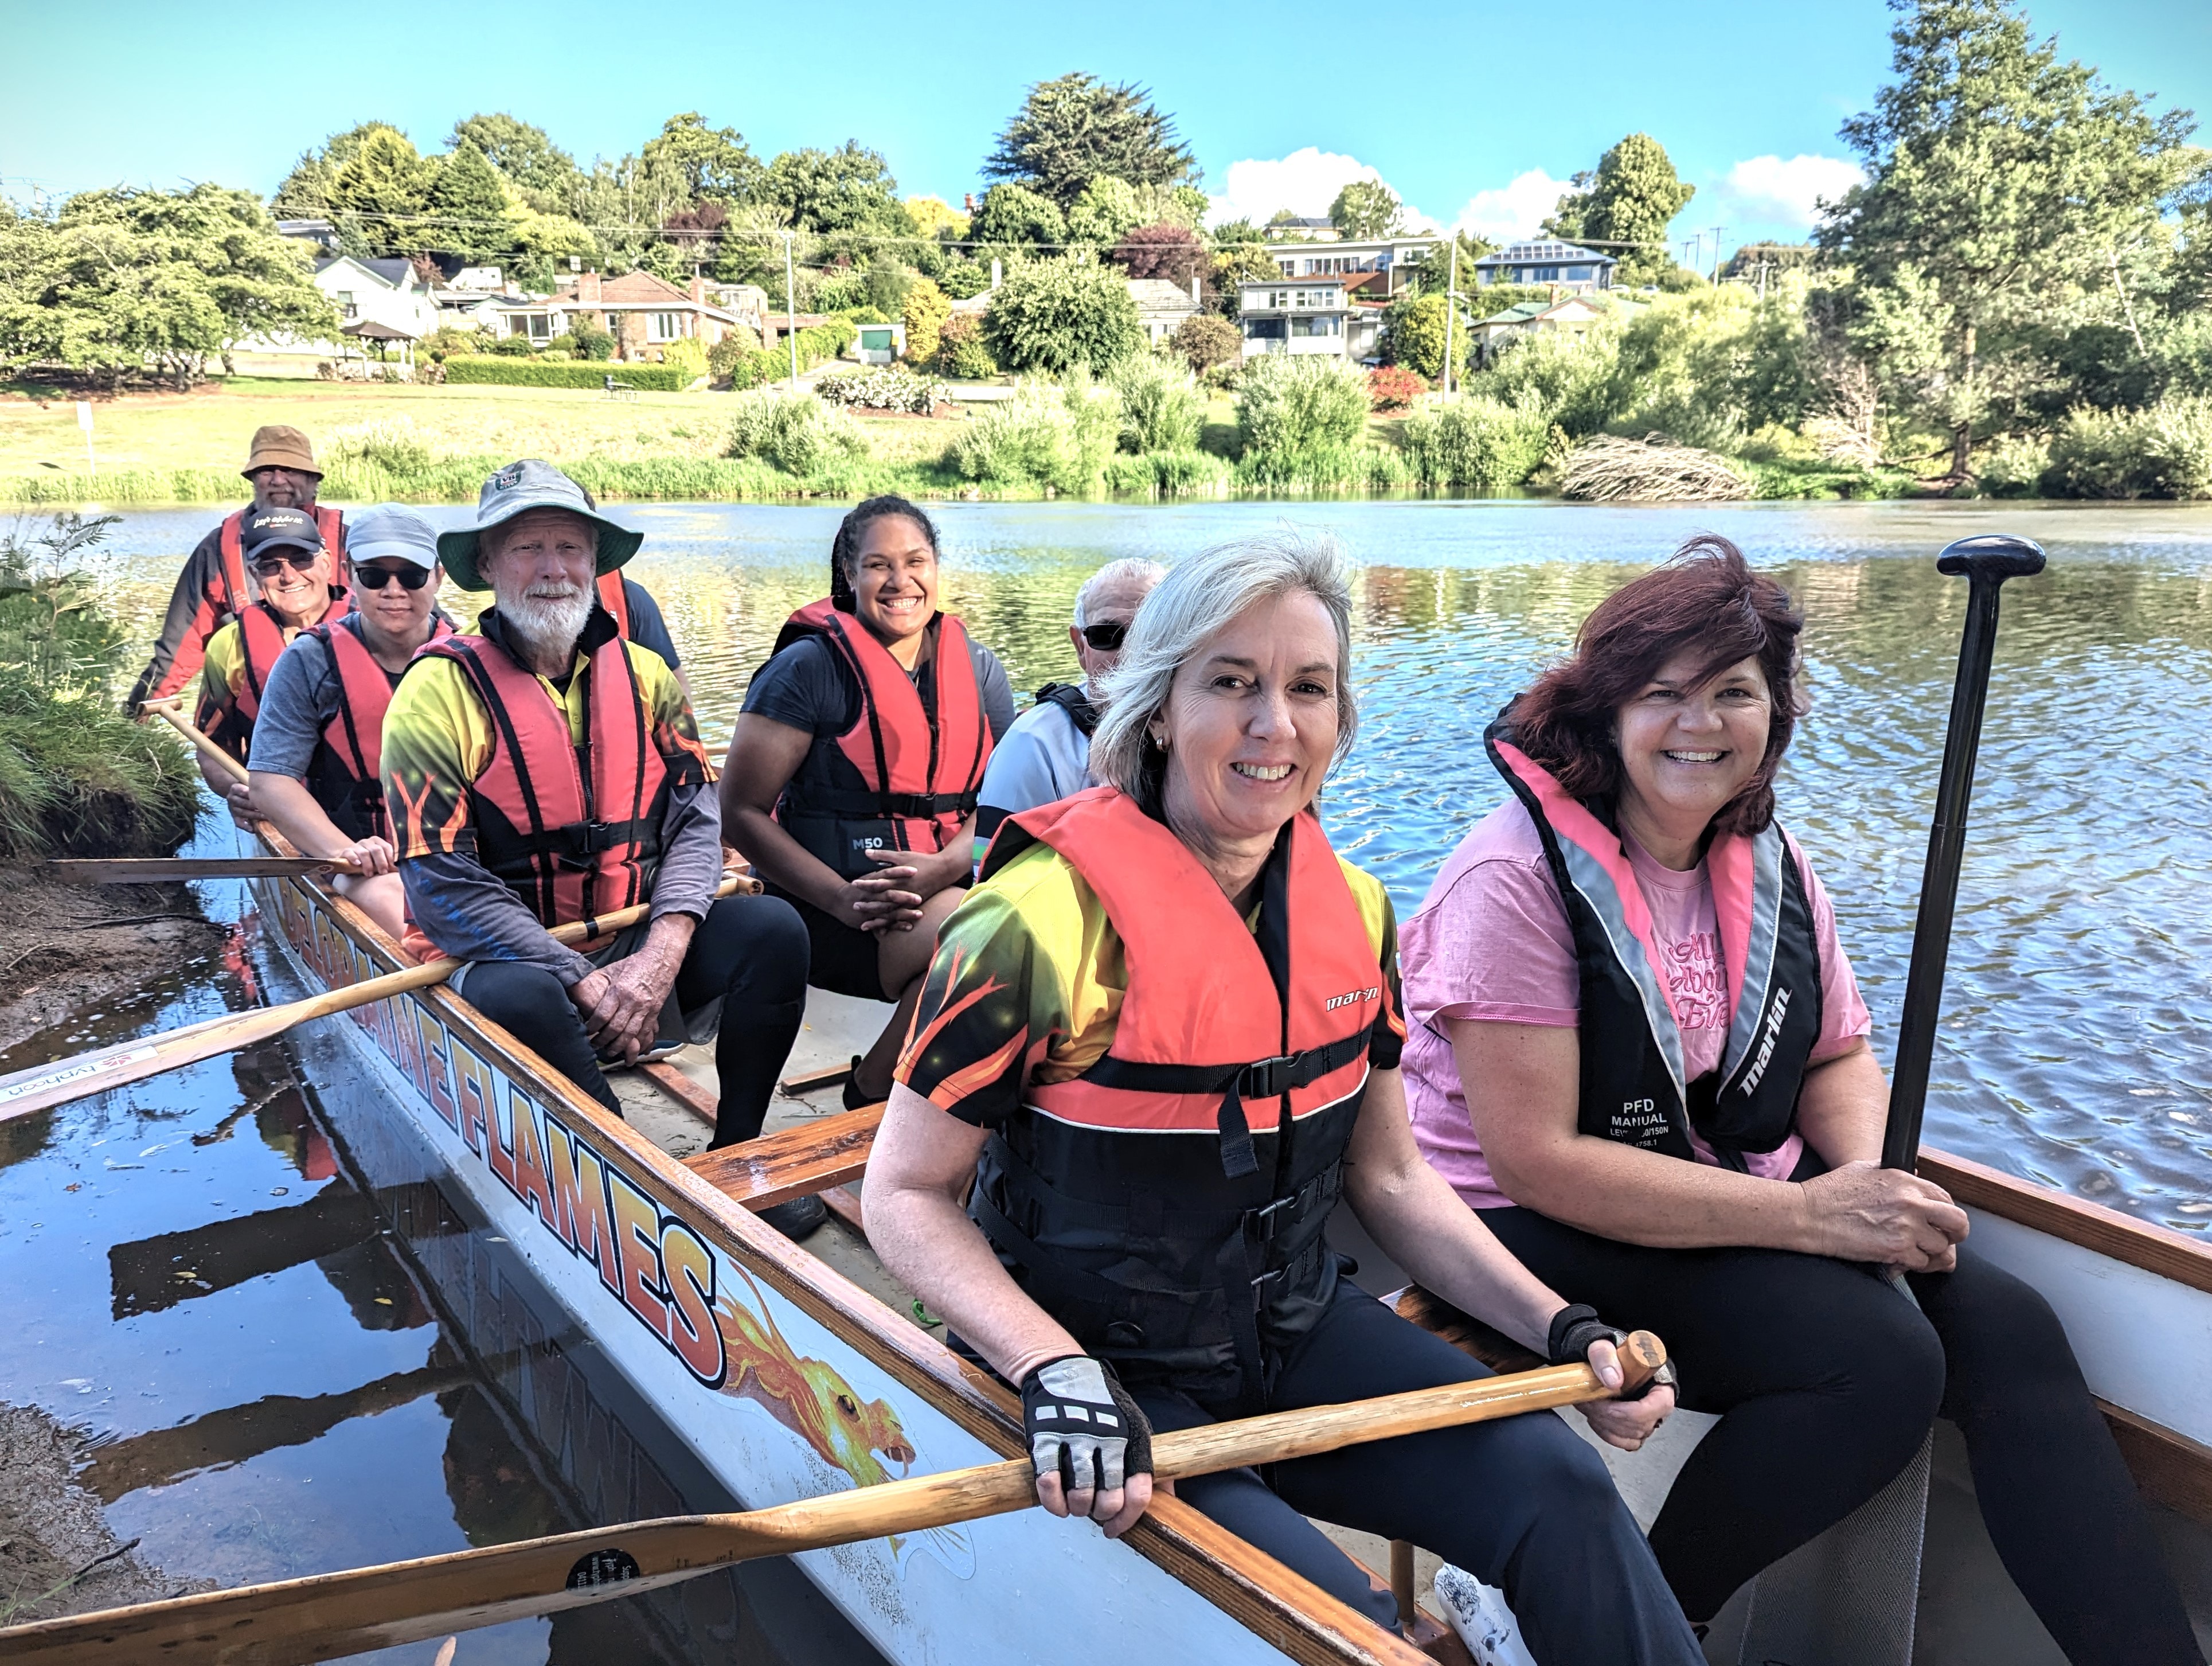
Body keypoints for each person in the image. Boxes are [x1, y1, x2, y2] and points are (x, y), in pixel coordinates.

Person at [863, 534, 1703, 1666]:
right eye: (1231, 683)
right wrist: (1049, 1369)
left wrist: (1561, 1328)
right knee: (1347, 1636)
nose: (1275, 725)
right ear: (1160, 711)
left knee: (1562, 1489)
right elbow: (904, 1193)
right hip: (1106, 1374)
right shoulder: (1028, 926)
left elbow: (1392, 1179)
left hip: (1295, 1330)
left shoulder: (1354, 912)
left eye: (1308, 688)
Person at [1398, 538, 2203, 1664]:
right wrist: (1815, 1218)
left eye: (1733, 692)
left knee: (2004, 1327)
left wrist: (1872, 1189)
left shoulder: (1763, 859)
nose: (1700, 723)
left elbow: (1833, 1059)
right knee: (1875, 1361)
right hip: (1520, 1219)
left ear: (1774, 714)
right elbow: (1537, 1158)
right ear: (1604, 714)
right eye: (1662, 693)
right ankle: (1599, 1634)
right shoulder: (1513, 880)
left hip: (1716, 1185)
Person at [378, 460, 821, 1238]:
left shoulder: (648, 679)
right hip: (511, 959)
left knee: (774, 930)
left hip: (632, 932)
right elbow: (441, 880)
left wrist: (660, 955)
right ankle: (628, 1174)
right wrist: (582, 979)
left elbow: (696, 823)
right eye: (527, 548)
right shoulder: (434, 693)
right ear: (488, 566)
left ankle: (738, 1150)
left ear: (594, 563)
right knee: (523, 997)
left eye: (570, 548)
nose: (552, 569)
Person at [722, 496, 1014, 1109]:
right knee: (983, 933)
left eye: (916, 562)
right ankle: (878, 1094)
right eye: (879, 565)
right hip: (824, 911)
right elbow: (739, 812)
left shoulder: (979, 668)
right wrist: (841, 898)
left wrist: (943, 866)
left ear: (936, 568)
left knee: (1001, 930)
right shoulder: (806, 670)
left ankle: (875, 1085)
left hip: (939, 892)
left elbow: (1001, 802)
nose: (901, 581)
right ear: (849, 576)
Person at [245, 504, 454, 941]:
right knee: (408, 917)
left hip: (457, 857)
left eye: (412, 576)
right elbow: (270, 781)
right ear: (351, 575)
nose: (393, 590)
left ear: (438, 576)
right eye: (374, 576)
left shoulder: (471, 657)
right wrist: (345, 849)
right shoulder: (308, 661)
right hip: (360, 866)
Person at [127, 425, 347, 713]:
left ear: (312, 480)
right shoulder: (218, 549)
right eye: (266, 471)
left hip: (341, 702)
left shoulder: (350, 541)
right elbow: (181, 648)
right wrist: (133, 717)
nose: (278, 480)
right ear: (253, 479)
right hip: (259, 712)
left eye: (290, 470)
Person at [972, 556, 1164, 865]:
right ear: (1080, 648)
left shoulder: (1208, 732)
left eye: (1151, 635)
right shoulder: (1031, 744)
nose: (1130, 655)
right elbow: (987, 867)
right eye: (1107, 636)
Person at [192, 505, 349, 822]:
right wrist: (237, 789)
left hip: (371, 809)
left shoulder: (374, 629)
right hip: (282, 814)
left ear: (327, 562)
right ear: (255, 576)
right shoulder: (229, 646)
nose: (288, 576)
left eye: (302, 559)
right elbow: (213, 750)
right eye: (270, 566)